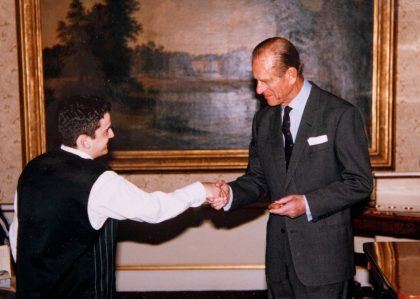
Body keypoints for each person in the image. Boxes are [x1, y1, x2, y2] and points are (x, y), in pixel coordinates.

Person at [9, 95, 224, 298]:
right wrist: (201, 189)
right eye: (106, 130)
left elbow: (16, 234)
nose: (112, 135)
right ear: (85, 141)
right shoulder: (99, 180)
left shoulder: (33, 168)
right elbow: (154, 209)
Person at [209, 37, 372, 298]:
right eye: (256, 80)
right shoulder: (263, 120)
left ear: (291, 74)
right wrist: (230, 193)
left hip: (324, 263)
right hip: (279, 260)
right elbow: (257, 178)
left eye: (266, 80)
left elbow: (360, 183)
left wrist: (307, 204)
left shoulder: (339, 114)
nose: (259, 90)